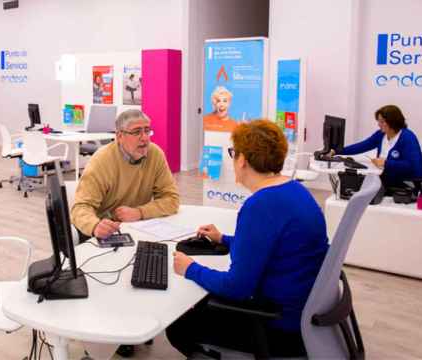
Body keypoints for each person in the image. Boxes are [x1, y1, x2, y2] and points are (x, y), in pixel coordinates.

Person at [166, 120, 329, 358]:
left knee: (179, 327)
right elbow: (271, 247)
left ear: (242, 160)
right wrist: (224, 238)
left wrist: (190, 268)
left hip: (275, 325)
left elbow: (237, 287)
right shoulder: (294, 190)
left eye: (233, 154)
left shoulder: (260, 206)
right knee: (201, 302)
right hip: (300, 313)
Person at [71, 109, 180, 358]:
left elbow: (171, 199)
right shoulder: (102, 160)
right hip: (106, 232)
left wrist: (139, 212)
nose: (145, 138)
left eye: (147, 130)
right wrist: (95, 225)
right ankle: (113, 328)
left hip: (138, 227)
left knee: (155, 266)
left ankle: (135, 319)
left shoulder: (155, 155)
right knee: (121, 277)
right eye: (137, 132)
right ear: (120, 136)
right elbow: (80, 208)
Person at [332, 104, 422, 188]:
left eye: (382, 122)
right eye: (379, 121)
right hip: (385, 176)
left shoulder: (408, 137)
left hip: (402, 182)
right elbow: (362, 146)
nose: (379, 125)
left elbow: (412, 167)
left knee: (356, 184)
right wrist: (337, 151)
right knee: (351, 180)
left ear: (393, 122)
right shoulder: (381, 134)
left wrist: (386, 163)